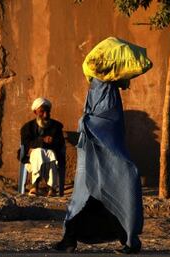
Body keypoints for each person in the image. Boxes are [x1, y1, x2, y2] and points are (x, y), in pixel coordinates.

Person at [54, 78, 143, 254]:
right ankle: (69, 240)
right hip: (89, 168)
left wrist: (85, 121)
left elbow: (103, 127)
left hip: (109, 170)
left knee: (113, 205)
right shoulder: (93, 110)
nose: (94, 92)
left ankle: (130, 243)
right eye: (93, 88)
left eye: (98, 89)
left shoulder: (111, 109)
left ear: (106, 92)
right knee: (80, 203)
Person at [19, 97, 66, 197]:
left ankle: (52, 189)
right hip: (33, 154)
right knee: (39, 152)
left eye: (47, 112)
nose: (45, 115)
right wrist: (42, 140)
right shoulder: (27, 127)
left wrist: (52, 141)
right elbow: (26, 144)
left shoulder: (56, 126)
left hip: (51, 153)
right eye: (42, 112)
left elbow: (61, 143)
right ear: (35, 112)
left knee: (51, 154)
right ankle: (35, 186)